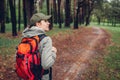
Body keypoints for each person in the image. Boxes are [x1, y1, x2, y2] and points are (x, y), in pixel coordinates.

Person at [22, 13, 57, 80]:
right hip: (41, 76)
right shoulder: (46, 39)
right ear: (38, 24)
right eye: (45, 21)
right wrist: (53, 52)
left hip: (27, 75)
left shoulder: (25, 37)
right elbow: (46, 65)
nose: (48, 23)